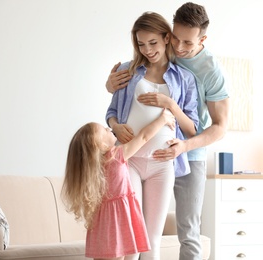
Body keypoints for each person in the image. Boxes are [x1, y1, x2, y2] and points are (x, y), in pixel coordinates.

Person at [106, 3, 230, 260]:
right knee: (134, 232)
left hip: (188, 156)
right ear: (169, 34)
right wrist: (111, 85)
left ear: (202, 39)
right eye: (176, 38)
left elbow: (217, 127)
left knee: (187, 230)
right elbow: (116, 105)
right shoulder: (145, 61)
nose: (180, 47)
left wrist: (177, 126)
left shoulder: (208, 71)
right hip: (135, 157)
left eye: (188, 42)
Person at [61, 109, 175, 260]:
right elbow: (143, 137)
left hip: (102, 225)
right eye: (104, 129)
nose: (109, 128)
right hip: (120, 220)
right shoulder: (115, 156)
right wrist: (163, 119)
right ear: (100, 144)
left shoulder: (93, 168)